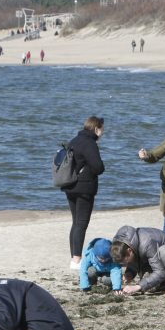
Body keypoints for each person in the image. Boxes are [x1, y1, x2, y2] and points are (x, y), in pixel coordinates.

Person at [63, 116, 105, 271]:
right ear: (96, 129)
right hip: (84, 188)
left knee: (75, 223)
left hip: (70, 185)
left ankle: (74, 258)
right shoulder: (90, 143)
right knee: (81, 223)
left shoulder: (75, 140)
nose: (103, 132)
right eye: (102, 129)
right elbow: (99, 167)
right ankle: (76, 260)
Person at [110, 225, 165, 295]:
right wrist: (130, 273)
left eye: (125, 262)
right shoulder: (124, 244)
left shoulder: (147, 242)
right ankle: (163, 283)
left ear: (129, 251)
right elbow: (136, 256)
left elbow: (160, 272)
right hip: (158, 260)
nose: (126, 264)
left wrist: (138, 286)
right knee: (149, 286)